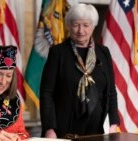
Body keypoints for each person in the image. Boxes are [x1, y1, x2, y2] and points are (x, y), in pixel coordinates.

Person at [40, 3, 120, 139]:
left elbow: (111, 91)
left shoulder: (103, 52)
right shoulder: (57, 53)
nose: (80, 30)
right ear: (69, 25)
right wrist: (49, 128)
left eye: (86, 25)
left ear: (93, 25)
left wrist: (114, 122)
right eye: (76, 24)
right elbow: (47, 93)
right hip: (64, 130)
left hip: (98, 130)